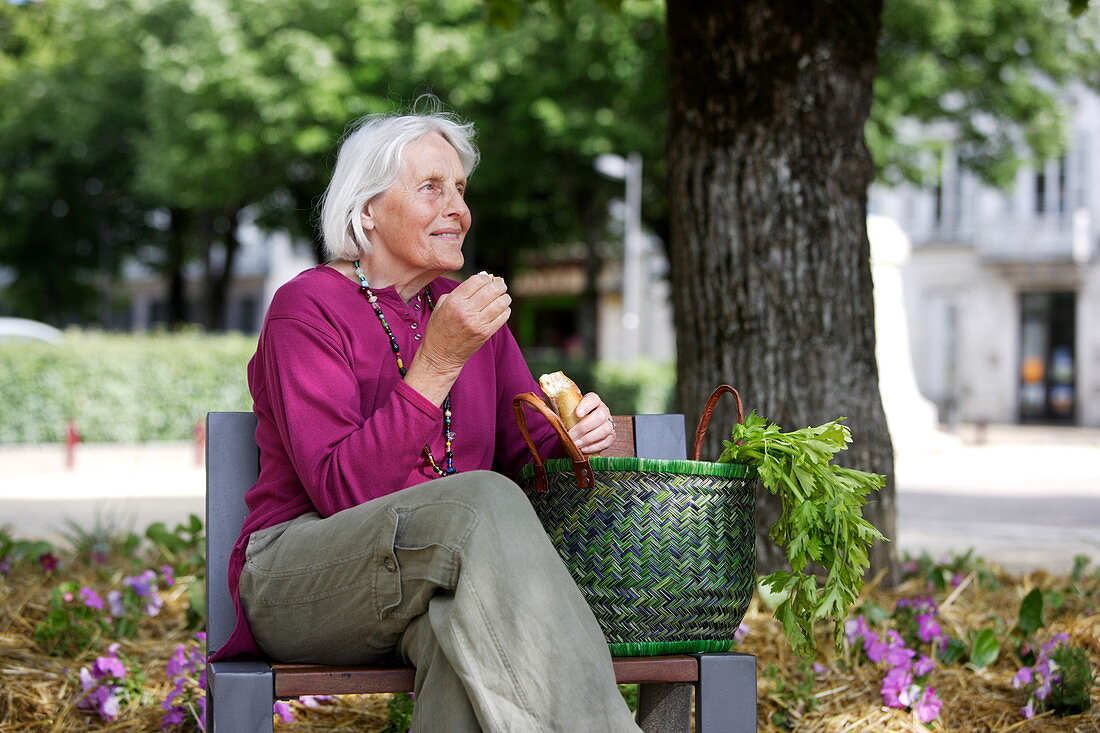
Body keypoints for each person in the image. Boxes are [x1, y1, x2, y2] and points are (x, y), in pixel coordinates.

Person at [211, 106, 642, 732]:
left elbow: (528, 452)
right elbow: (343, 490)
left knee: (459, 632)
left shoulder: (463, 311)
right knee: (478, 505)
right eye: (431, 188)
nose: (458, 208)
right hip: (302, 577)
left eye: (461, 189)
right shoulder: (308, 307)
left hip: (438, 579)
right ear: (367, 210)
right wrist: (439, 360)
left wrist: (575, 437)